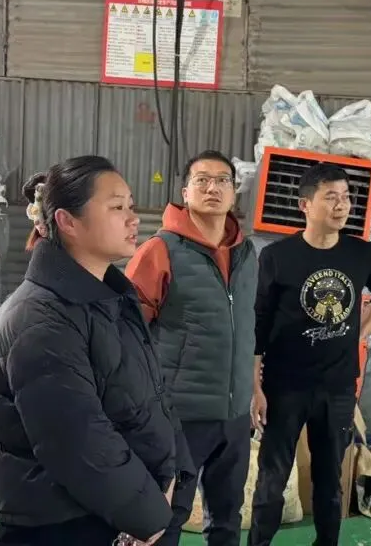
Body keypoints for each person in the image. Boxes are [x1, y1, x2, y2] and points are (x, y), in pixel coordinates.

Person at [0, 156, 193, 546]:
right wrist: (149, 516)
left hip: (123, 518)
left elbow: (152, 399)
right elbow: (78, 441)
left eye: (130, 206)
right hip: (66, 528)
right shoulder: (38, 319)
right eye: (116, 207)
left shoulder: (111, 301)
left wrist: (175, 484)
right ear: (68, 222)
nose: (133, 219)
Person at [248, 162, 371, 546]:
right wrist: (255, 387)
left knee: (330, 480)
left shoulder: (360, 254)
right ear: (305, 205)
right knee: (272, 479)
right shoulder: (278, 257)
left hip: (337, 387)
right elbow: (258, 323)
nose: (342, 205)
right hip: (284, 387)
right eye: (331, 197)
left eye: (346, 197)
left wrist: (360, 332)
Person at [126, 150, 257, 546]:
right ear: (185, 192)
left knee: (228, 516)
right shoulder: (160, 250)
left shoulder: (248, 254)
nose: (212, 188)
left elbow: (248, 328)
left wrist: (254, 388)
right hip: (180, 416)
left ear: (234, 192)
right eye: (202, 180)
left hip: (235, 416)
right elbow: (127, 333)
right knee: (167, 515)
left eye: (222, 180)